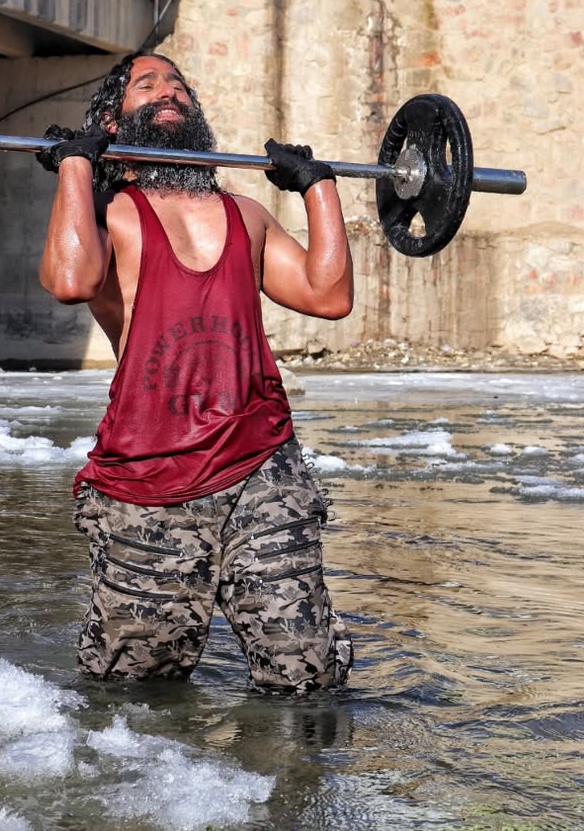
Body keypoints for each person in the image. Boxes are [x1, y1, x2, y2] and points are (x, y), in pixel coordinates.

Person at [38, 53, 354, 693]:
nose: (167, 90)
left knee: (306, 676)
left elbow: (330, 295)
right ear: (111, 120)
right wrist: (77, 164)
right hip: (147, 482)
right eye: (145, 84)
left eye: (177, 82)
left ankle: (298, 791)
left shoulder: (246, 214)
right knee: (134, 691)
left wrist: (317, 185)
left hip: (261, 467)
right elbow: (71, 282)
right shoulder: (108, 217)